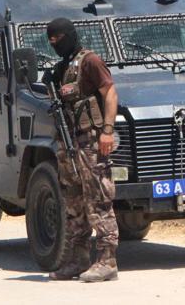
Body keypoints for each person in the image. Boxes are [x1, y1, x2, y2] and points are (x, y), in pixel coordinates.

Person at [45, 17, 120, 282]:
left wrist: (107, 131)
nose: (55, 44)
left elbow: (110, 93)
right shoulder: (62, 67)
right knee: (74, 204)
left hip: (91, 142)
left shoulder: (90, 61)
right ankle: (78, 261)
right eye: (51, 41)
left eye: (58, 39)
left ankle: (107, 261)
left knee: (98, 200)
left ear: (70, 35)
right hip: (69, 146)